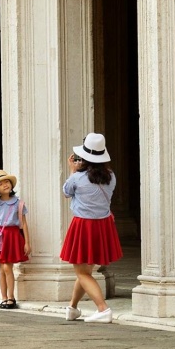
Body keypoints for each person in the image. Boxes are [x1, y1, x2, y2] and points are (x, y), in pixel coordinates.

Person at [59, 132, 123, 323]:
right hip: (102, 225)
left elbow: (66, 192)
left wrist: (73, 170)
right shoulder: (111, 176)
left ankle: (103, 309)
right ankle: (73, 308)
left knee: (81, 272)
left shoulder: (78, 178)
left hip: (83, 225)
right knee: (85, 271)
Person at [0, 169, 31, 309]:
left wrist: (27, 242)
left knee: (7, 267)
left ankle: (11, 297)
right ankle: (4, 297)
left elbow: (24, 224)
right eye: (1, 184)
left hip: (13, 236)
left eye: (7, 182)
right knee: (2, 270)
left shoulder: (19, 204)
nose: (5, 185)